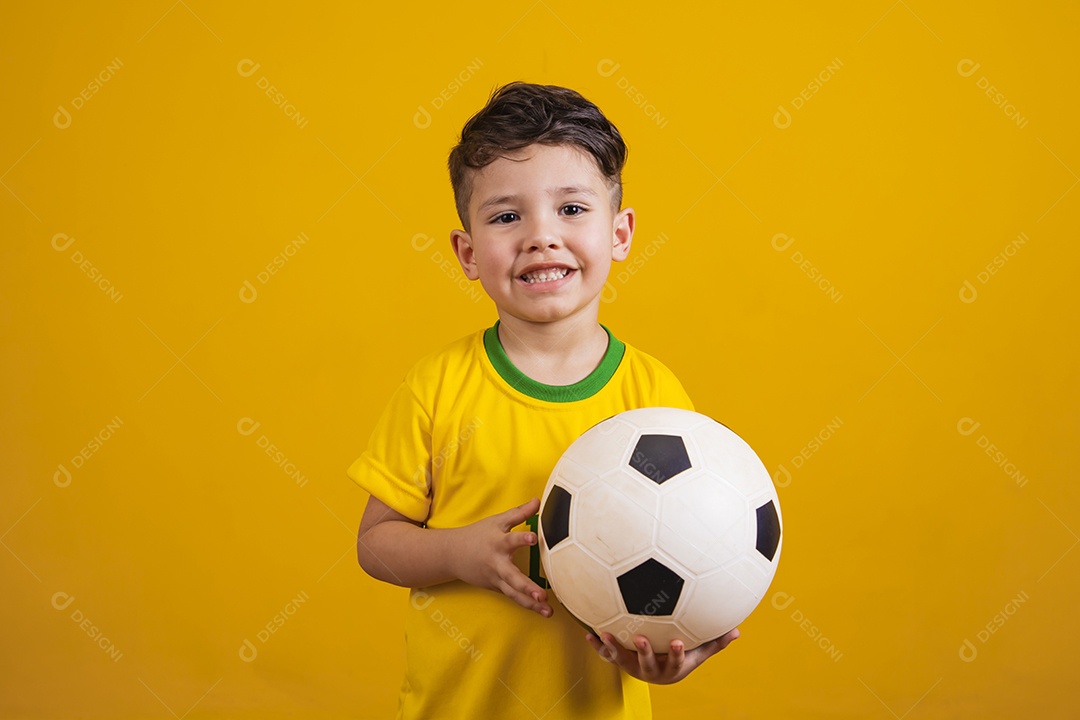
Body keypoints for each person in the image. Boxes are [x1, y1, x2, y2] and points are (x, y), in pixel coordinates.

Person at [348, 81, 739, 719]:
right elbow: (375, 542)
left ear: (621, 233)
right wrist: (456, 553)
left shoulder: (654, 400)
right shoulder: (436, 386)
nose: (541, 237)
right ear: (468, 253)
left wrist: (665, 654)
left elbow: (688, 552)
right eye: (507, 216)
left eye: (572, 210)